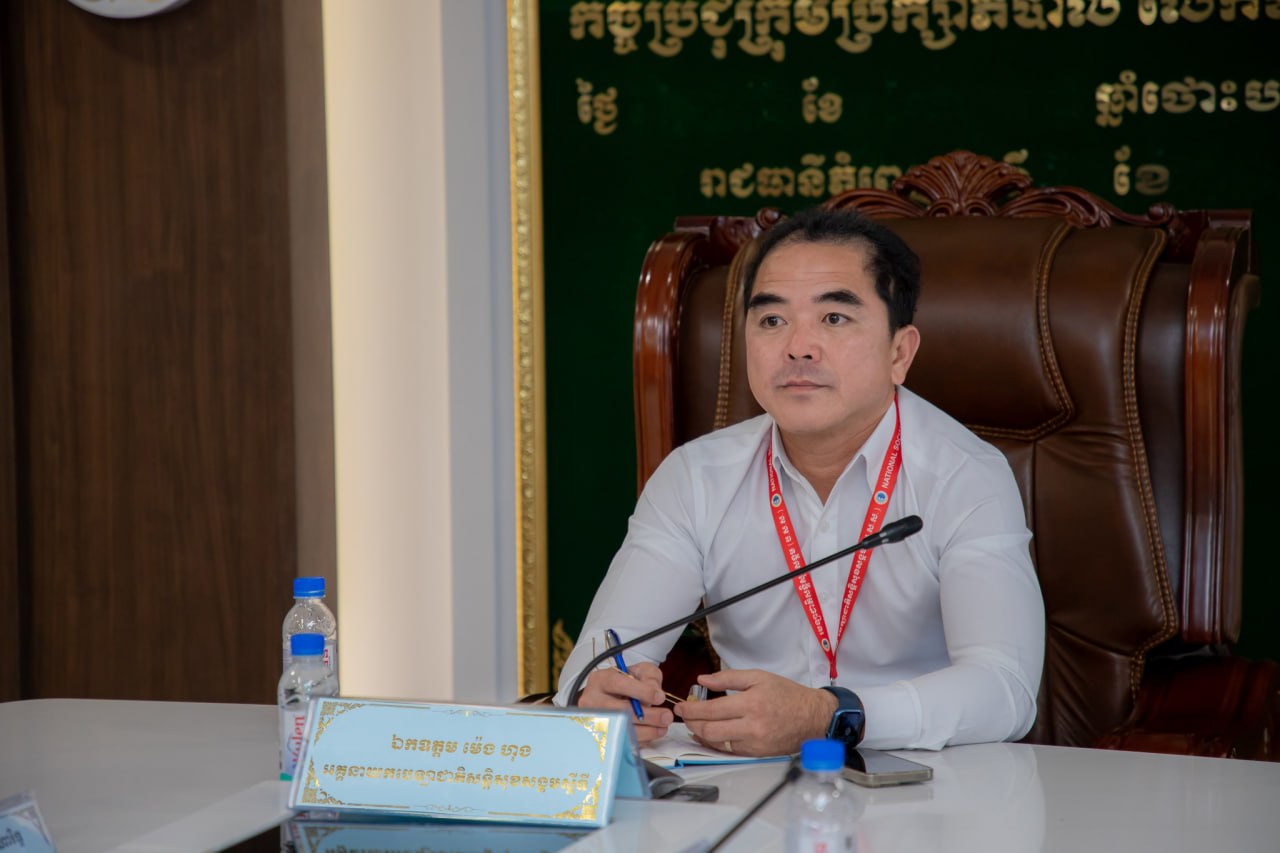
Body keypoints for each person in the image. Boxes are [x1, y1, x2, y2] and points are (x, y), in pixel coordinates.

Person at [553, 206, 1044, 755]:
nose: (797, 346)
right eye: (771, 321)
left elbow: (1005, 690)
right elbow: (602, 657)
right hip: (741, 785)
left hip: (932, 783)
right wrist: (599, 694)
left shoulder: (965, 475)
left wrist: (830, 715)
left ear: (899, 352)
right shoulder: (696, 478)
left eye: (834, 318)